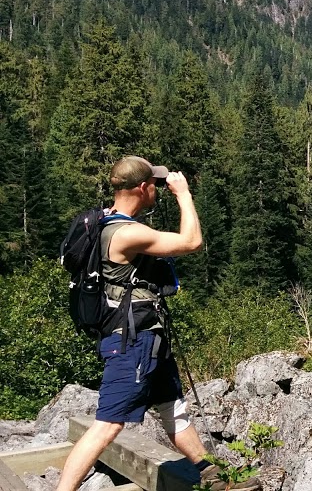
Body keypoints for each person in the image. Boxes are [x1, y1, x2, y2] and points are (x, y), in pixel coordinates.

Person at [56, 156, 255, 491]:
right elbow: (191, 242)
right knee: (108, 425)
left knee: (171, 405)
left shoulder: (107, 220)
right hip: (132, 341)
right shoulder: (127, 233)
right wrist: (184, 195)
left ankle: (210, 473)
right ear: (144, 187)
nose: (159, 190)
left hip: (147, 336)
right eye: (156, 184)